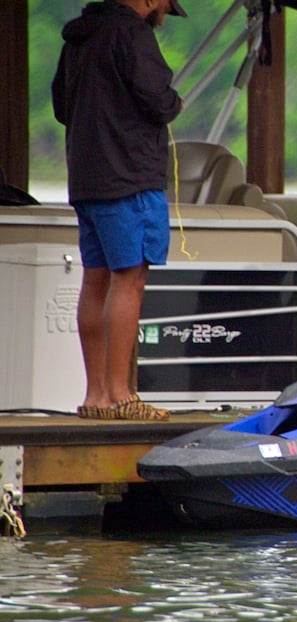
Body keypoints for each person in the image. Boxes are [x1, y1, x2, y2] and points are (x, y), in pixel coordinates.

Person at [51, 0, 188, 421]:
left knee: (96, 281)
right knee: (129, 281)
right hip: (129, 177)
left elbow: (60, 107)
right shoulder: (133, 34)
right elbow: (160, 101)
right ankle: (119, 394)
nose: (165, 11)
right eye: (164, 3)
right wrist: (174, 101)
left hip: (87, 179)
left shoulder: (77, 38)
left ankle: (95, 396)